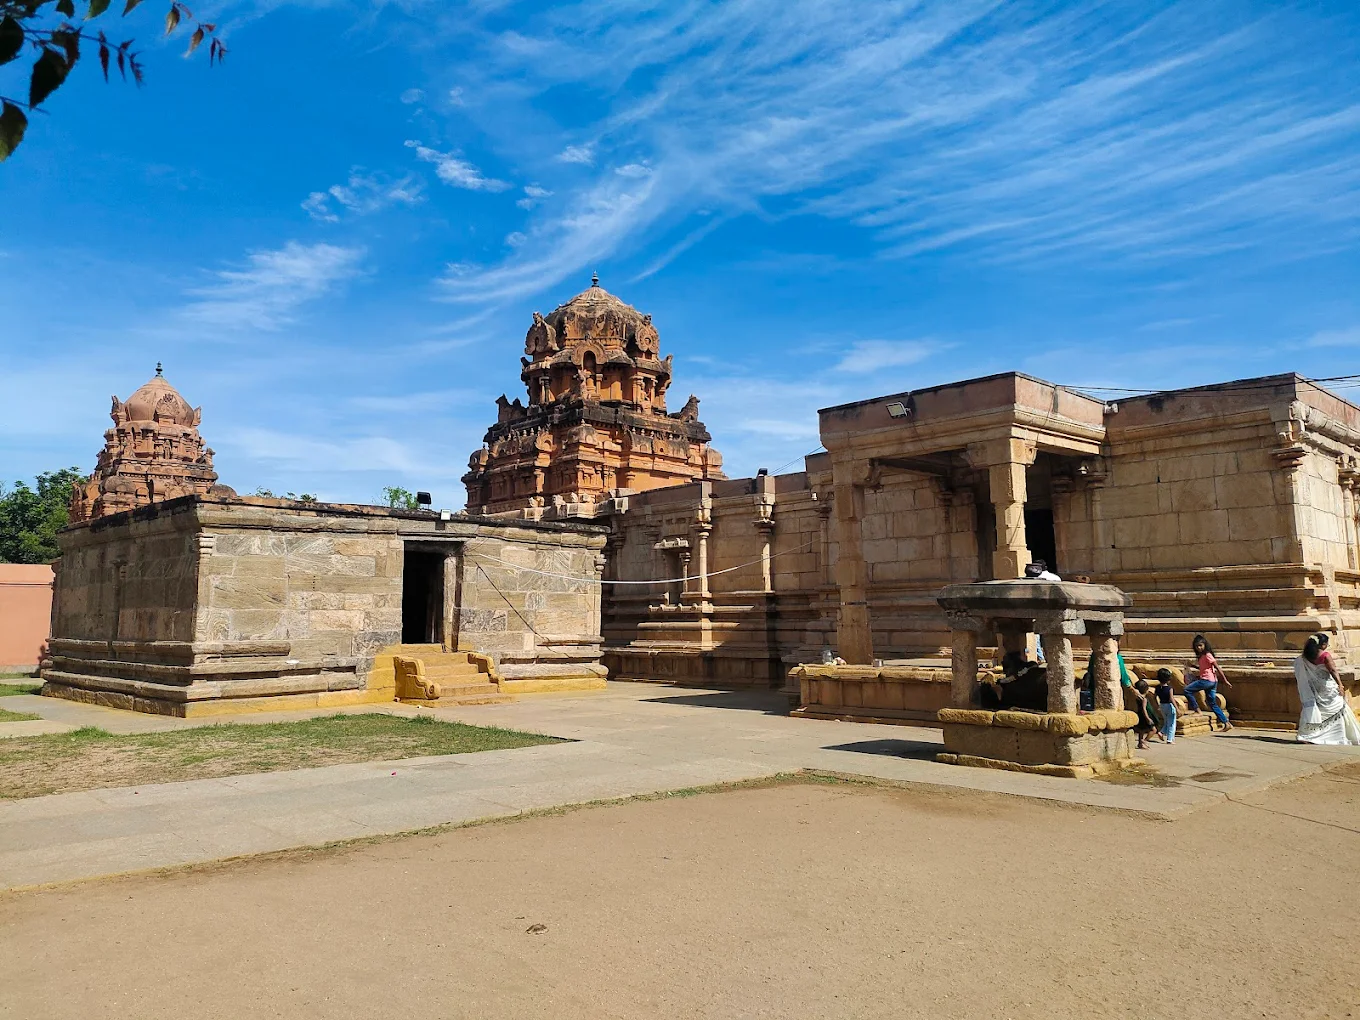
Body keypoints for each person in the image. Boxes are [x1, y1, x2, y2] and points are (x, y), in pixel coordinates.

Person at [1295, 636, 1360, 745]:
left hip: (1314, 689)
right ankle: (1336, 736)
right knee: (1338, 708)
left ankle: (1309, 735)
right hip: (1327, 689)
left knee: (1317, 711)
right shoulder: (1325, 656)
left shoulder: (1304, 657)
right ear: (1323, 645)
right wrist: (1340, 685)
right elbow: (1333, 670)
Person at [1184, 634, 1232, 731]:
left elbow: (1217, 667)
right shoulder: (1202, 657)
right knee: (1212, 703)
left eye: (1201, 645)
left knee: (1187, 690)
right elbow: (1204, 668)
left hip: (1207, 681)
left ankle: (1197, 710)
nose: (1199, 648)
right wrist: (1193, 666)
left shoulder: (1207, 655)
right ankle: (1226, 723)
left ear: (1205, 645)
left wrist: (1225, 680)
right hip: (1212, 681)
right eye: (1197, 646)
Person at [1128, 678, 1163, 749]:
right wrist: (1148, 718)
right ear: (1146, 689)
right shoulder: (1144, 699)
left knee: (1142, 730)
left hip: (1140, 715)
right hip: (1146, 716)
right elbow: (1144, 709)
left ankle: (1140, 743)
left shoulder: (1138, 697)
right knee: (1153, 730)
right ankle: (1144, 740)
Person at [1155, 667, 1178, 743]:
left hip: (1162, 705)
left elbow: (1155, 696)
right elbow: (1171, 698)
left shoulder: (1158, 687)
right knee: (1171, 723)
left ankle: (1161, 732)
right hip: (1169, 705)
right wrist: (1177, 708)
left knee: (1166, 721)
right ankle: (1170, 739)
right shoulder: (1169, 688)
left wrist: (1157, 705)